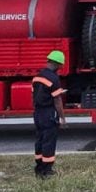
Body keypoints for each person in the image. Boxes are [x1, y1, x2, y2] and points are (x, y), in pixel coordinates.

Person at [33, 50, 68, 178]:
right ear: (58, 64)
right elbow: (57, 100)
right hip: (49, 113)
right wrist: (62, 118)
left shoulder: (37, 77)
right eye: (60, 65)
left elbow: (39, 94)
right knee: (49, 141)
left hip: (37, 113)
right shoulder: (54, 79)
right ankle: (47, 170)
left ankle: (39, 167)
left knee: (40, 139)